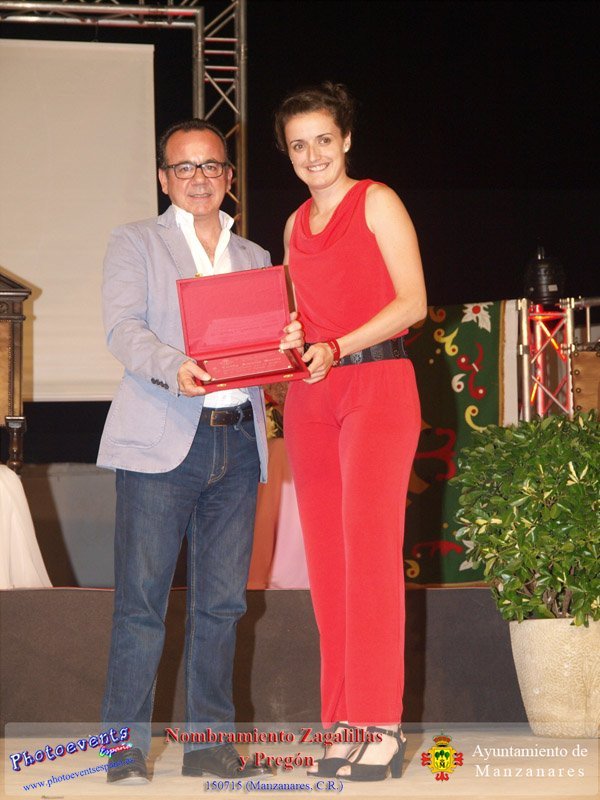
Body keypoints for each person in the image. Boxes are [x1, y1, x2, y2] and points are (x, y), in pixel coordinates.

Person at [97, 118, 303, 784]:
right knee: (141, 605)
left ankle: (209, 746)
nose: (199, 178)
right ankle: (123, 749)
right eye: (184, 167)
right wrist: (173, 365)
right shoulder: (136, 241)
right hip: (162, 442)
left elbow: (264, 349)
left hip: (238, 444)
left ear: (229, 176)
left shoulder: (255, 255)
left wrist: (289, 343)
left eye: (211, 166)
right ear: (164, 178)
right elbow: (122, 329)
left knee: (222, 606)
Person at [275, 83, 426, 782]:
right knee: (328, 566)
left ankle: (379, 726)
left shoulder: (377, 201)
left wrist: (337, 345)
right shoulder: (292, 226)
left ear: (346, 140)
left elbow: (412, 303)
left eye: (323, 140)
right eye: (298, 145)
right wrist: (296, 337)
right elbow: (304, 315)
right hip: (312, 397)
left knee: (368, 558)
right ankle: (340, 723)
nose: (313, 155)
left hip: (378, 386)